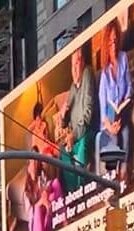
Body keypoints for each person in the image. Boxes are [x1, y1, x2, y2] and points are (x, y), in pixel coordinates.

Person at [52, 46, 97, 192]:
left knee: (82, 145)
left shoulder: (87, 74)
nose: (75, 69)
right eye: (73, 65)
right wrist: (63, 117)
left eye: (77, 63)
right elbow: (67, 116)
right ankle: (73, 193)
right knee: (63, 151)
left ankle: (81, 190)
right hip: (75, 134)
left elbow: (88, 115)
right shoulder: (72, 87)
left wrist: (74, 135)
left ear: (83, 62)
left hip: (88, 130)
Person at [96, 18, 133, 184]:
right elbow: (103, 107)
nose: (113, 44)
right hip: (109, 120)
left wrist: (125, 100)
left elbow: (130, 87)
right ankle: (113, 178)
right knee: (116, 136)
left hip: (123, 112)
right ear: (106, 45)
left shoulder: (124, 58)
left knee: (125, 132)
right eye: (110, 42)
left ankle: (123, 175)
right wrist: (110, 125)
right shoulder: (104, 73)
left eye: (115, 40)